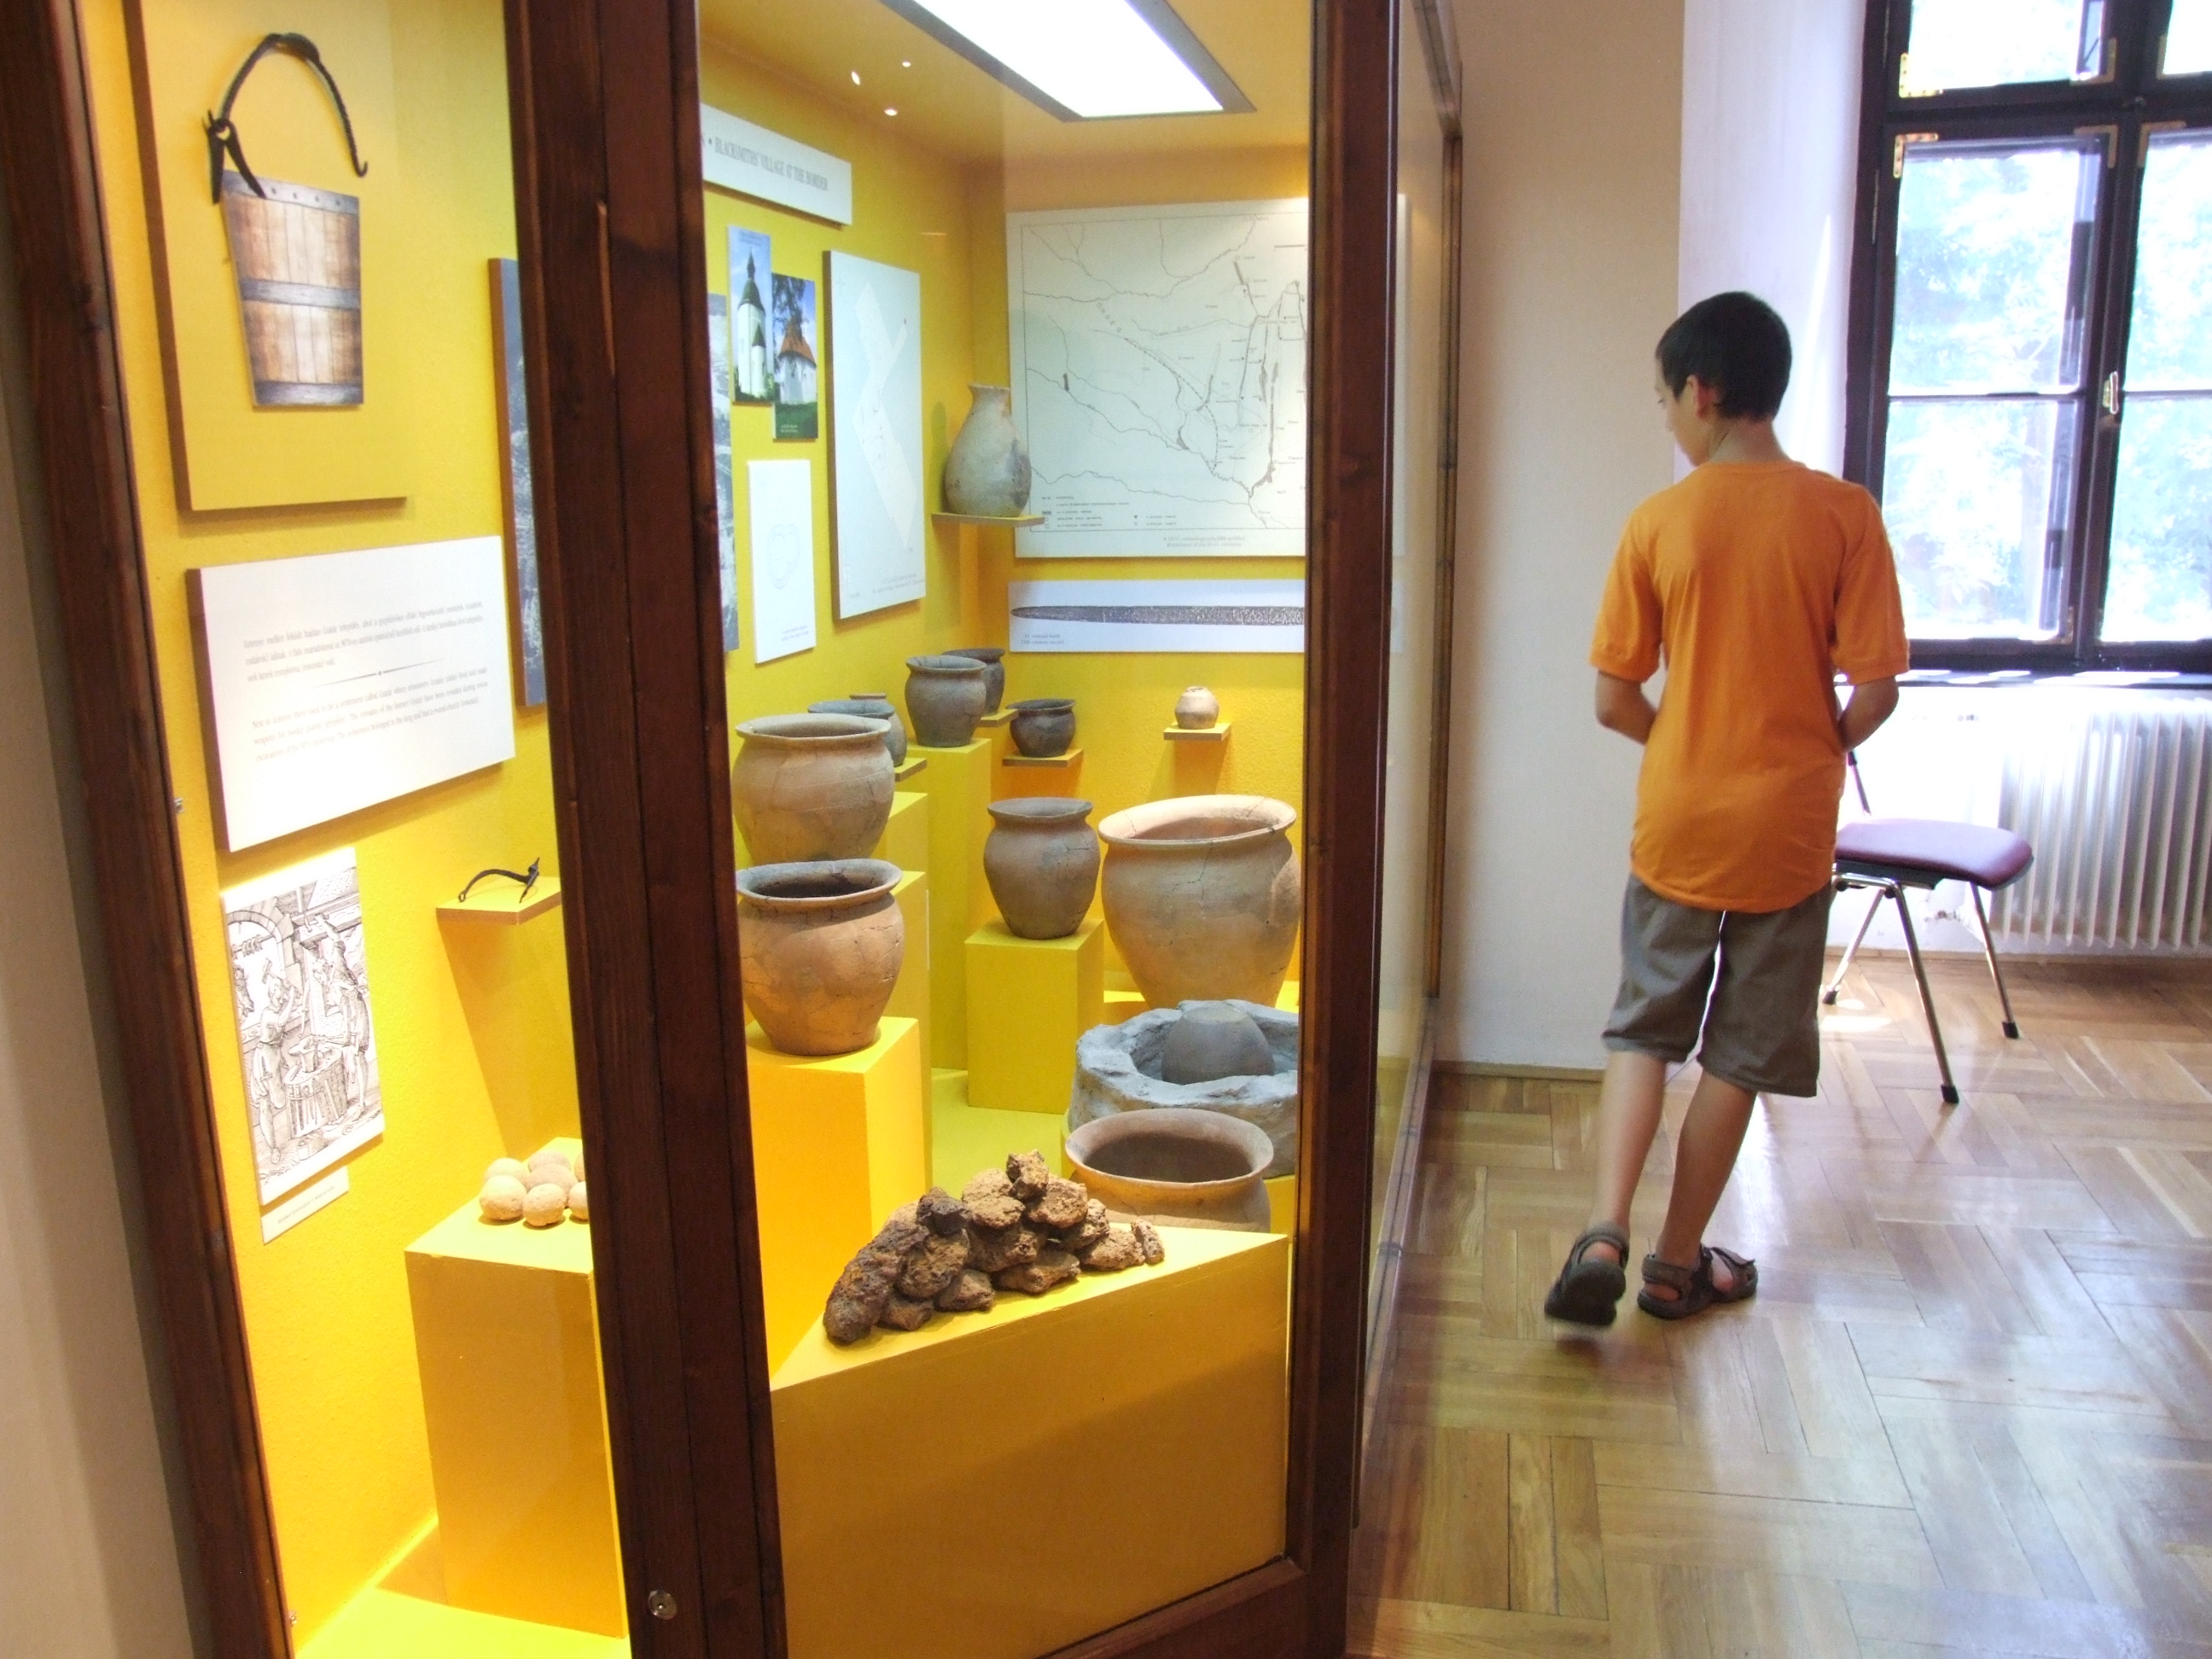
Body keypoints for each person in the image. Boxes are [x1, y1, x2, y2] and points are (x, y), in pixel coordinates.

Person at [1545, 291, 1909, 1326]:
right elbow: (1877, 691)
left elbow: (1615, 698)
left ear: (1701, 393)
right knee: (1739, 1056)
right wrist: (1816, 747)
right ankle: (1674, 1266)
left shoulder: (1659, 521)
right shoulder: (1845, 514)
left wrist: (1684, 742)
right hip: (1788, 833)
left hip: (1680, 824)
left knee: (1642, 1032)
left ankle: (1603, 1231)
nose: (1667, 418)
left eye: (1665, 400)